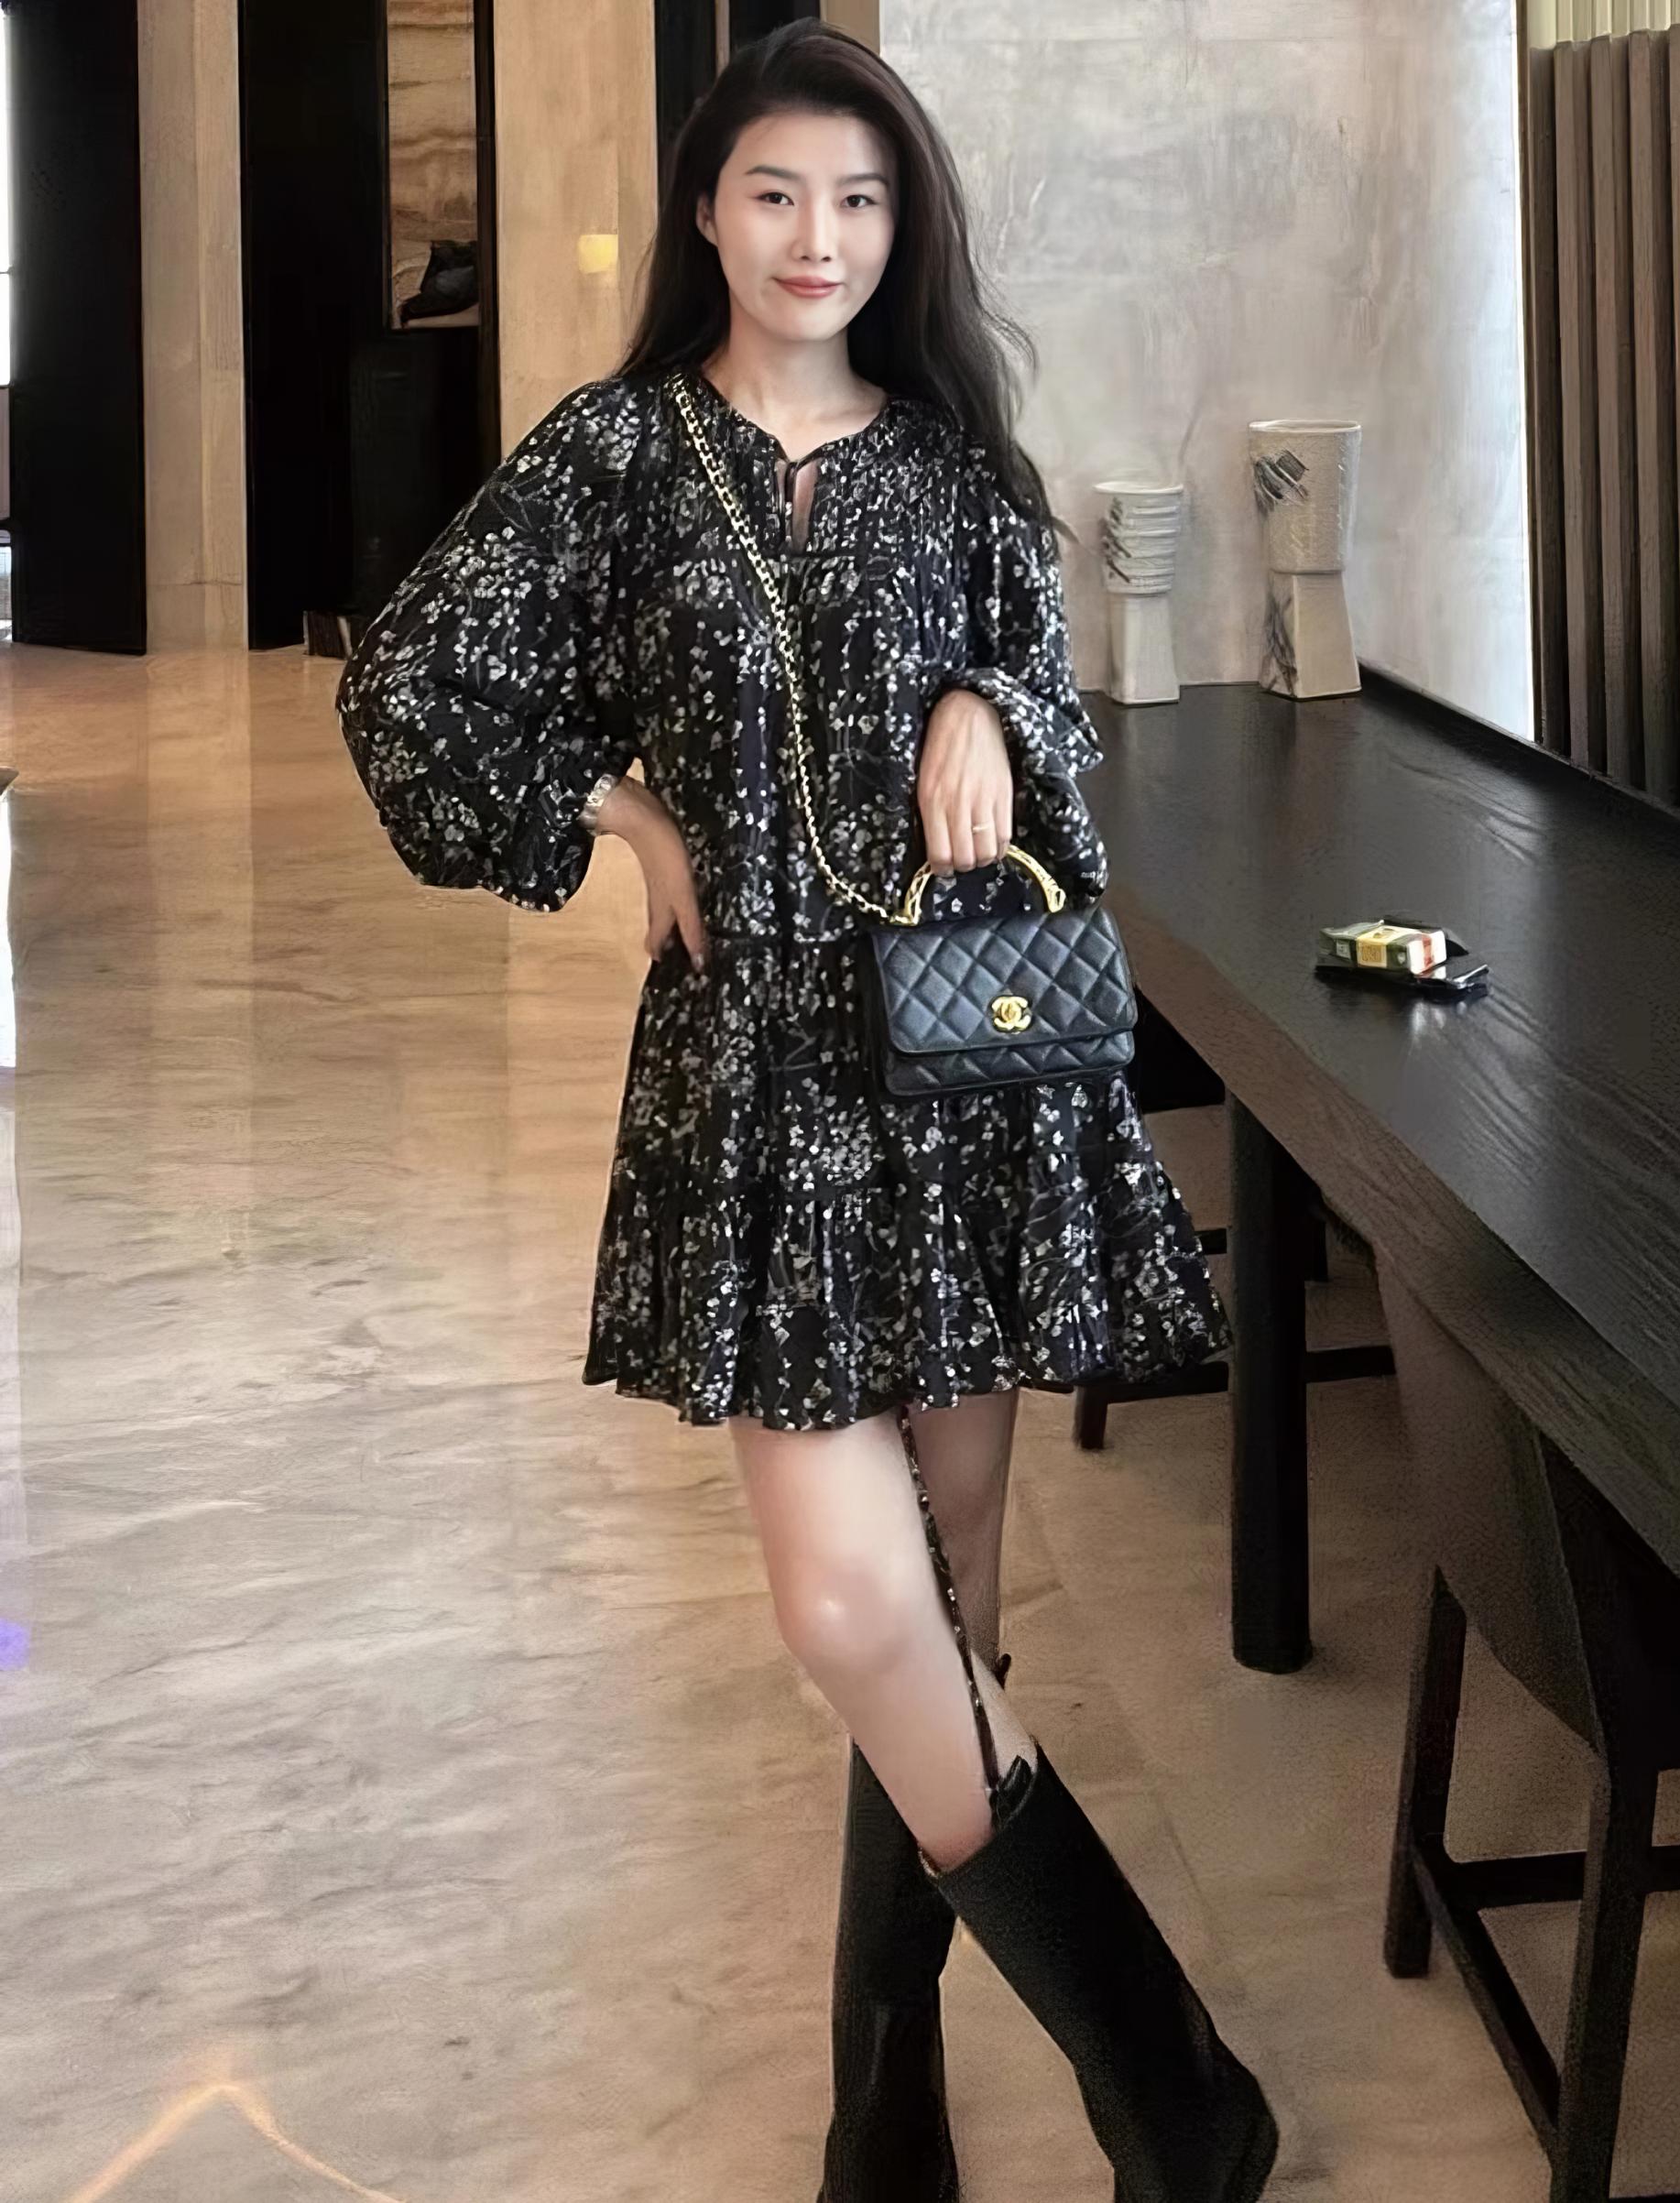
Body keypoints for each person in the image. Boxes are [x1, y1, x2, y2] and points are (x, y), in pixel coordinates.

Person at [336, 22, 1277, 2202]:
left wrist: (988, 701)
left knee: (947, 1609)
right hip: (752, 1102)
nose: (817, 236)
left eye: (858, 199)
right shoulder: (616, 453)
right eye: (776, 192)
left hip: (957, 1087)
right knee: (855, 1613)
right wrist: (623, 815)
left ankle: (887, 2101)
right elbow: (411, 693)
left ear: (898, 226)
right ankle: (1175, 2089)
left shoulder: (953, 460)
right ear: (709, 210)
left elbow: (1056, 701)